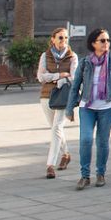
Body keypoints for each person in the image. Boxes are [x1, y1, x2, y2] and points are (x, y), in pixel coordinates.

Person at [66, 29, 111, 190]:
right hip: (87, 106)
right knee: (86, 139)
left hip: (108, 107)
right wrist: (70, 108)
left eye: (108, 40)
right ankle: (84, 175)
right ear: (93, 43)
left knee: (102, 141)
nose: (106, 43)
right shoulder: (85, 62)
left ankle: (100, 173)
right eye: (102, 40)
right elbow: (75, 86)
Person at [37, 27, 78, 179]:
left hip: (63, 97)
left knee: (57, 127)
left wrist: (54, 78)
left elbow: (73, 77)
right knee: (55, 129)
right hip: (46, 96)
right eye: (60, 37)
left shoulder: (72, 57)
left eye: (66, 38)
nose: (63, 41)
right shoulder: (45, 56)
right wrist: (59, 75)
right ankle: (66, 154)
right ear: (53, 39)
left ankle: (50, 165)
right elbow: (41, 77)